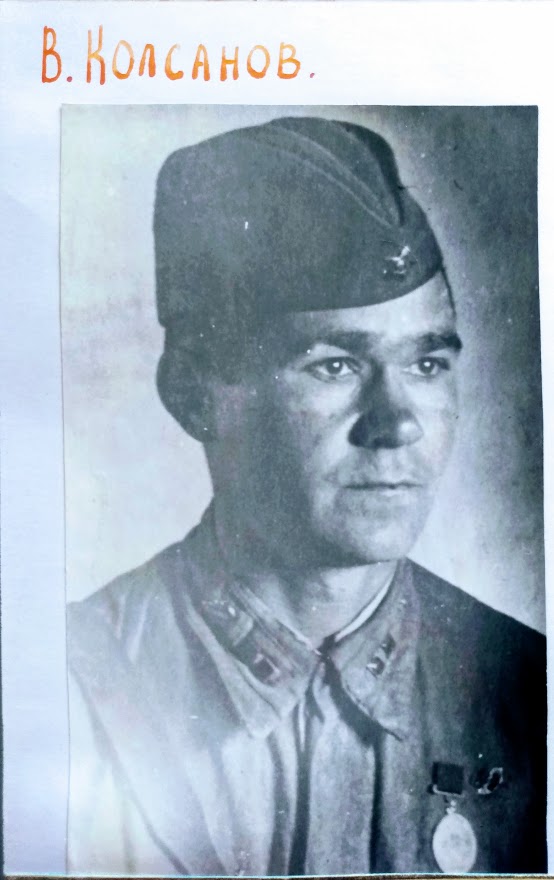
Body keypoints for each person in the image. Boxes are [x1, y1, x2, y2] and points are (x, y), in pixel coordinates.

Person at [66, 116, 546, 875]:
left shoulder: (526, 692)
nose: (398, 425)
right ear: (194, 394)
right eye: (335, 366)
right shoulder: (68, 687)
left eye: (427, 364)